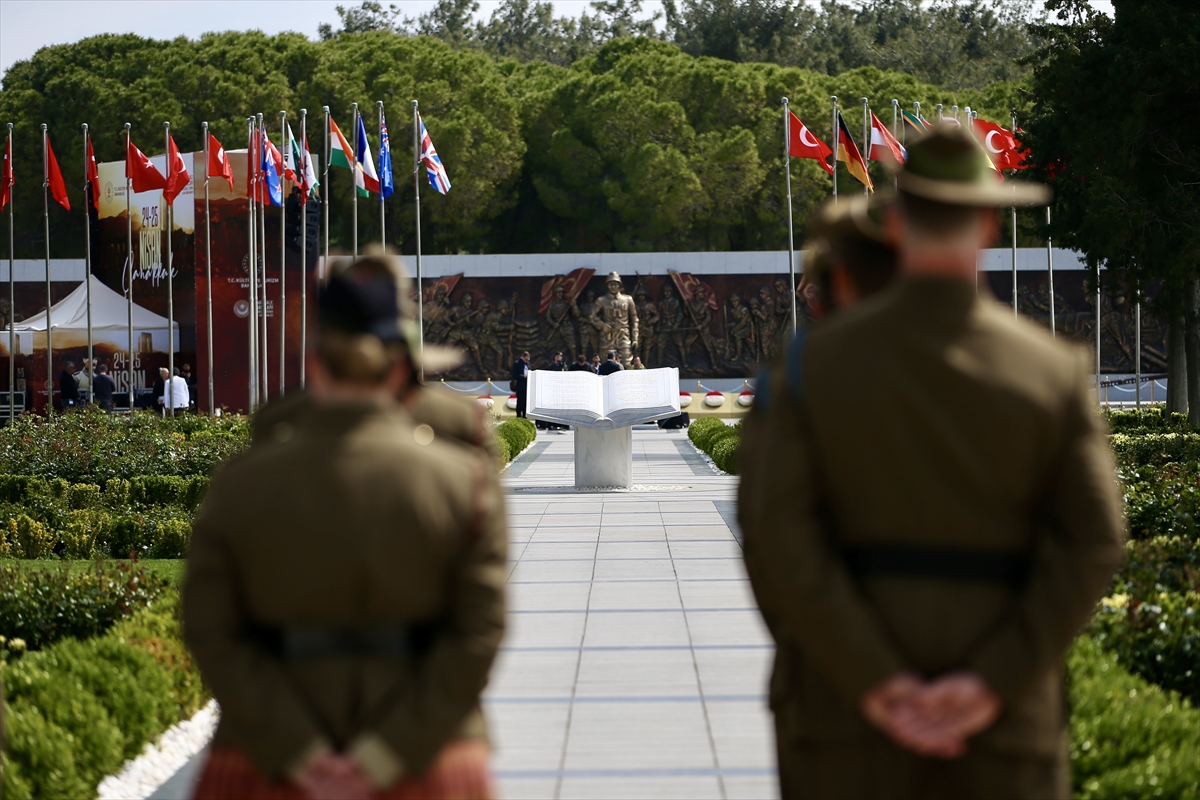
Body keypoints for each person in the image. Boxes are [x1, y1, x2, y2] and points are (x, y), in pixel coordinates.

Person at [738, 124, 1127, 799]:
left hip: (842, 723)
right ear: (987, 224)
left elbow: (776, 534)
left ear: (895, 221)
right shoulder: (1052, 372)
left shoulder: (810, 367)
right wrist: (990, 683)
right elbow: (1095, 539)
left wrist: (874, 679)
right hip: (1003, 729)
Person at [185, 252, 507, 800]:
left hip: (269, 761)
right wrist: (387, 754)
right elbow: (478, 630)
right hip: (427, 758)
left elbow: (211, 627)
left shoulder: (243, 478)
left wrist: (297, 749)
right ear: (400, 366)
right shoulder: (465, 481)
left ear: (314, 363)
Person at [510, 350, 530, 418]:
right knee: (520, 402)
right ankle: (518, 416)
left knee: (525, 403)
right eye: (526, 359)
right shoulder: (517, 363)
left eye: (528, 359)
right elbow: (514, 374)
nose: (527, 360)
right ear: (523, 357)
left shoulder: (528, 364)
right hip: (520, 386)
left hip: (527, 386)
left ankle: (524, 416)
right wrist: (523, 376)